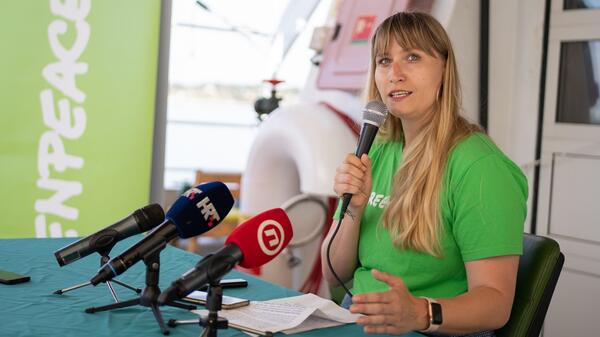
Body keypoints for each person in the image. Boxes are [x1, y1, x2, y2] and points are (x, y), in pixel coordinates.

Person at [321, 12, 527, 337]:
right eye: (384, 61)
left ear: (444, 70)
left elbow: (496, 304)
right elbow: (334, 274)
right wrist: (354, 212)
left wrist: (420, 312)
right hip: (356, 320)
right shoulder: (376, 148)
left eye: (412, 57)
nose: (395, 74)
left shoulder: (481, 167)